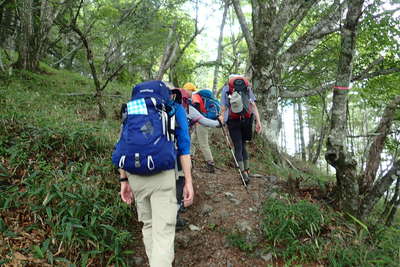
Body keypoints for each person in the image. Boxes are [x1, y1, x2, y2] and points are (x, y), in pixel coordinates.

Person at [113, 80, 194, 267]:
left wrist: (123, 180)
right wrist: (188, 181)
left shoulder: (133, 109)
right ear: (169, 93)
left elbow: (122, 145)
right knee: (163, 232)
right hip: (162, 174)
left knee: (148, 225)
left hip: (134, 175)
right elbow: (184, 148)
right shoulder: (173, 108)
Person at [170, 88, 221, 230]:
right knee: (181, 178)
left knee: (171, 180)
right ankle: (176, 213)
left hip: (163, 152)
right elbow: (206, 121)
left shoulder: (166, 108)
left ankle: (173, 210)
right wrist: (221, 122)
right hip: (180, 152)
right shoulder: (189, 111)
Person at [218, 75, 262, 184]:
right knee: (243, 144)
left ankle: (243, 173)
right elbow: (253, 105)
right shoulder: (247, 87)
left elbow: (223, 108)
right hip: (246, 120)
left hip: (233, 120)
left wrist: (221, 119)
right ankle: (247, 170)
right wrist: (258, 122)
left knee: (238, 146)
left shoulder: (226, 89)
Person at [183, 82, 217, 173]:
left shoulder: (195, 98)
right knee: (192, 141)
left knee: (203, 144)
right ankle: (191, 161)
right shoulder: (196, 97)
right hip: (200, 122)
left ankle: (210, 164)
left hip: (202, 122)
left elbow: (197, 114)